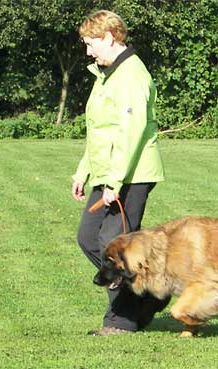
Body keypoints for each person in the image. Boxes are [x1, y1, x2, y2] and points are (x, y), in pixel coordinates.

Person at [72, 10, 170, 336]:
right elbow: (101, 131)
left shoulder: (131, 75)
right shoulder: (107, 75)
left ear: (110, 37)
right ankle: (152, 289)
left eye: (91, 43)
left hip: (131, 174)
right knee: (89, 237)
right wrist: (83, 171)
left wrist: (115, 182)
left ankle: (122, 322)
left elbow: (130, 132)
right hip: (108, 173)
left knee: (113, 246)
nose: (88, 51)